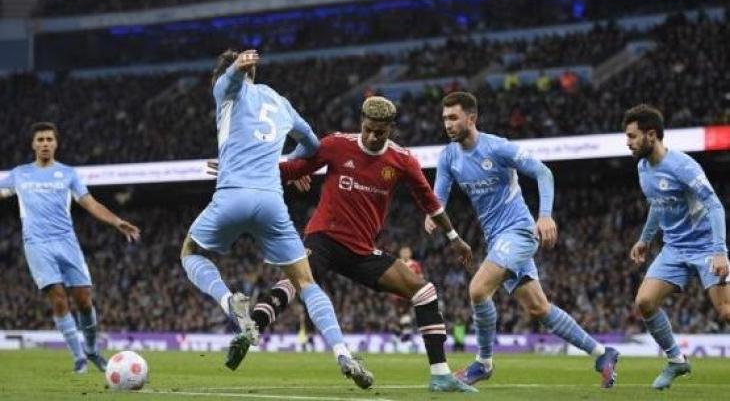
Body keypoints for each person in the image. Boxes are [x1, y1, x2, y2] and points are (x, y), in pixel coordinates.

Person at [226, 96, 477, 393]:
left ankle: (440, 375)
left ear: (391, 129)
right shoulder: (336, 145)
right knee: (297, 280)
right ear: (362, 122)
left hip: (361, 251)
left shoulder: (402, 160)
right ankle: (252, 327)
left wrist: (454, 237)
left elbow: (429, 201)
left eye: (379, 132)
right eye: (368, 129)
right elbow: (289, 169)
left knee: (424, 292)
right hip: (324, 238)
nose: (372, 136)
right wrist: (239, 172)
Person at [179, 49, 372, 389]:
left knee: (190, 252)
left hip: (233, 195)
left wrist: (237, 66)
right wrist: (285, 165)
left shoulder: (226, 91)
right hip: (271, 201)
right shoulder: (281, 103)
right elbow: (312, 146)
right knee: (306, 283)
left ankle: (229, 301)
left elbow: (229, 81)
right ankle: (343, 352)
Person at [425, 91, 619, 388]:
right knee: (539, 309)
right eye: (444, 119)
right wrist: (433, 213)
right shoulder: (448, 156)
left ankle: (483, 363)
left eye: (453, 117)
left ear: (471, 118)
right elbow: (439, 195)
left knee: (478, 290)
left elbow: (543, 172)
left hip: (519, 231)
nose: (447, 124)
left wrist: (545, 215)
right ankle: (602, 353)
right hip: (496, 239)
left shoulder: (497, 148)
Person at [0, 122, 141, 374]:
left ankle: (91, 349)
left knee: (84, 300)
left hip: (67, 242)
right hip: (37, 243)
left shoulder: (68, 173)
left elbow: (89, 203)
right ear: (33, 144)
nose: (44, 143)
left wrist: (116, 221)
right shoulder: (19, 174)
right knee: (58, 298)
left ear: (56, 143)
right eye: (40, 139)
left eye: (49, 139)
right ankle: (78, 357)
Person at [624, 104, 730, 390]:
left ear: (652, 135)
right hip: (674, 248)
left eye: (633, 136)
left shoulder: (683, 166)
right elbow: (657, 205)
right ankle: (676, 361)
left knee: (726, 311)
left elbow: (715, 205)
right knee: (645, 302)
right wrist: (645, 239)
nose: (628, 142)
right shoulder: (643, 168)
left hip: (707, 246)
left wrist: (720, 250)